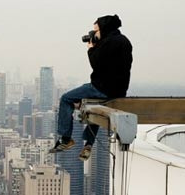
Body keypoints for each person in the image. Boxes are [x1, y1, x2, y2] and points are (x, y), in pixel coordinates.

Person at [50, 14, 133, 160]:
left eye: (96, 30)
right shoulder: (125, 41)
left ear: (104, 28)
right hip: (119, 90)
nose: (95, 33)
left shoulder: (107, 43)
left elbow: (96, 64)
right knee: (94, 105)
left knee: (65, 98)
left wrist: (91, 48)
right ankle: (88, 143)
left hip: (101, 87)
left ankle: (65, 138)